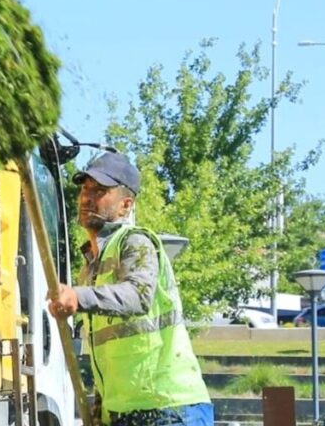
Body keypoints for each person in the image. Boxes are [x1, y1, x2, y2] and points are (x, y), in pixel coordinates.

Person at [48, 150, 213, 426]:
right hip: (126, 414)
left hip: (168, 409)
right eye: (85, 189)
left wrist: (78, 296)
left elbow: (138, 295)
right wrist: (101, 410)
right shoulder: (91, 267)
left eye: (100, 191)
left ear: (125, 206)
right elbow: (110, 354)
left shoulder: (135, 241)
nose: (87, 197)